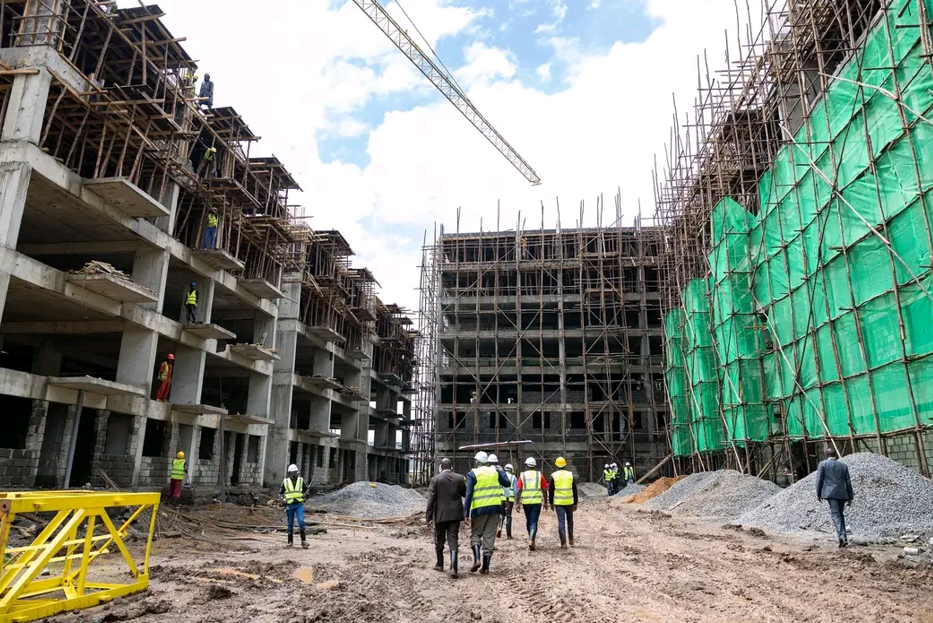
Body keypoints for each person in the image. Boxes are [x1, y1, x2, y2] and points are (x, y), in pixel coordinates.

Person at [463, 451, 511, 575]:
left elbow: (468, 495)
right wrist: (501, 471)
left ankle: (477, 559)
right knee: (489, 536)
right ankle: (486, 568)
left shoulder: (472, 474)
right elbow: (507, 483)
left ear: (477, 462)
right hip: (495, 508)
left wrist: (466, 512)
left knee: (475, 535)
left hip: (479, 509)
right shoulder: (495, 472)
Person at [426, 458, 466, 578]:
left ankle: (440, 564)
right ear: (451, 467)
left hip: (441, 514)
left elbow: (431, 499)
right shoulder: (459, 478)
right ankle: (454, 568)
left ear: (440, 468)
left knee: (440, 538)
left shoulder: (436, 479)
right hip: (456, 514)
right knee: (453, 538)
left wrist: (428, 516)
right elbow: (465, 493)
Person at [816, 446, 854, 547]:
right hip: (842, 493)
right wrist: (850, 497)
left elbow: (819, 480)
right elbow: (848, 482)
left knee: (836, 515)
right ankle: (844, 537)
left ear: (826, 455)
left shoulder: (823, 464)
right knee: (840, 514)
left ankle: (842, 537)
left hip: (830, 493)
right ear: (835, 455)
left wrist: (818, 494)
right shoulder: (843, 466)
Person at [515, 457, 548, 550]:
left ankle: (531, 538)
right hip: (536, 502)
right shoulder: (539, 475)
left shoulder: (523, 475)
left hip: (526, 502)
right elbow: (544, 489)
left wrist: (517, 503)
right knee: (534, 521)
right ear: (534, 466)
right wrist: (545, 502)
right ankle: (532, 539)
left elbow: (519, 490)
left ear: (526, 465)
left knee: (529, 521)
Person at [549, 456, 578, 548]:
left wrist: (551, 502)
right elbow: (574, 489)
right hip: (569, 502)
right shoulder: (570, 475)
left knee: (561, 521)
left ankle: (563, 543)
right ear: (565, 465)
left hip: (558, 502)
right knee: (570, 520)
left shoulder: (554, 475)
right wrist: (576, 502)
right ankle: (571, 540)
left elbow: (551, 490)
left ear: (557, 465)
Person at [279, 464, 310, 549]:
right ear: (289, 473)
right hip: (290, 504)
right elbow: (280, 492)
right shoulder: (285, 481)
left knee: (301, 521)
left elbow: (306, 489)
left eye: (295, 472)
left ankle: (303, 541)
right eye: (292, 472)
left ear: (297, 472)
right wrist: (282, 499)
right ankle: (290, 542)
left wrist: (305, 496)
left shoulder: (301, 480)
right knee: (290, 523)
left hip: (299, 504)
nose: (293, 474)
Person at [498, 463, 517, 539]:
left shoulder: (500, 476)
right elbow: (516, 490)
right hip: (510, 499)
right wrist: (516, 501)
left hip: (501, 498)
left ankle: (499, 528)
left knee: (501, 515)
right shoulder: (513, 477)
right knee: (508, 516)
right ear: (511, 470)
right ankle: (508, 535)